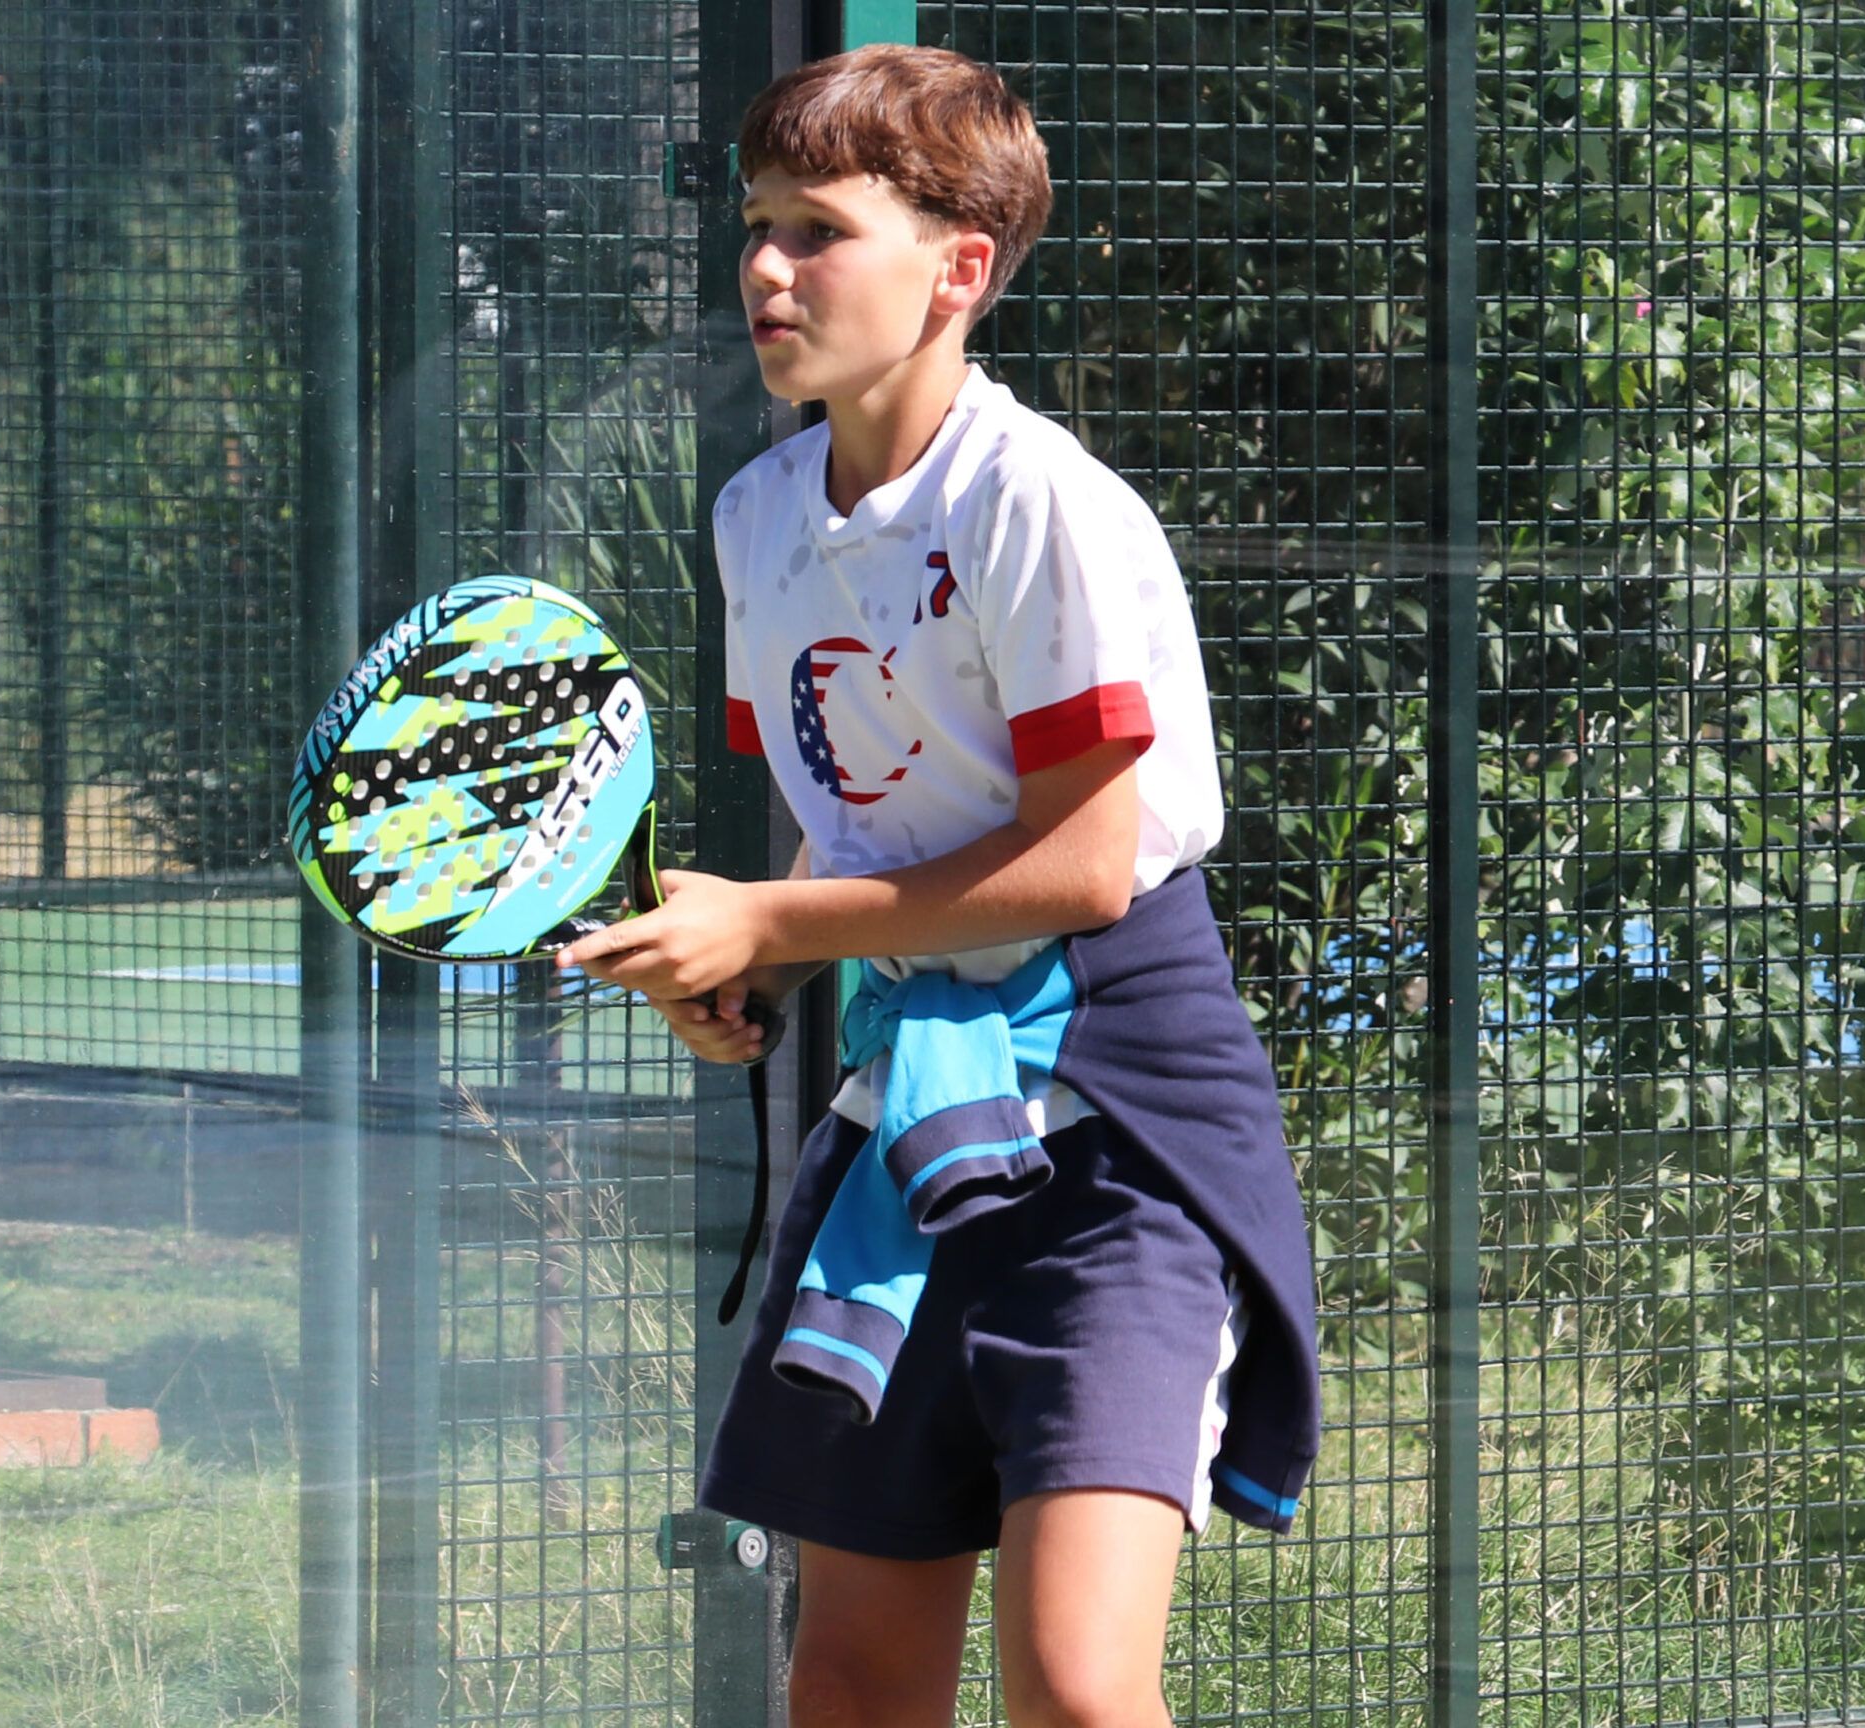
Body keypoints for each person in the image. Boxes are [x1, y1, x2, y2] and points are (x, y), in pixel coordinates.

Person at [556, 43, 1320, 1728]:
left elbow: (1083, 864)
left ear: (958, 270)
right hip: (904, 1110)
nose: (766, 266)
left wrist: (769, 920)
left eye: (818, 230)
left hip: (1121, 1120)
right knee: (846, 1683)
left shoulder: (1035, 497)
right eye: (756, 226)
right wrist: (748, 967)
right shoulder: (759, 516)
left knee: (1075, 1687)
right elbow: (862, 827)